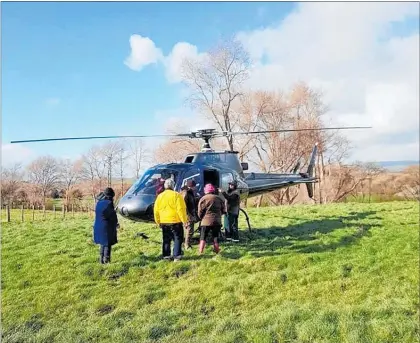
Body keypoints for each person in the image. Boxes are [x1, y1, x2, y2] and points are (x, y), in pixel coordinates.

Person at [154, 178, 188, 261]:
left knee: (166, 239)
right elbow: (181, 209)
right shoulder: (177, 195)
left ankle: (166, 256)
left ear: (165, 186)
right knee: (177, 238)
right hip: (175, 221)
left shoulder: (159, 196)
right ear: (173, 186)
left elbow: (156, 210)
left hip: (164, 221)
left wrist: (158, 221)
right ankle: (177, 256)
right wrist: (184, 221)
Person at [197, 183, 226, 255]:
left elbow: (200, 211)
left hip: (205, 221)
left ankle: (200, 251)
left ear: (205, 191)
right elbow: (223, 210)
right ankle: (216, 250)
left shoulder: (203, 199)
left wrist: (200, 218)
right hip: (217, 221)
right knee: (215, 236)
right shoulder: (219, 198)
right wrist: (219, 215)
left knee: (203, 237)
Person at [93, 187, 119, 264]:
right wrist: (116, 223)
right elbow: (112, 216)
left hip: (98, 226)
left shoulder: (99, 203)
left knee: (103, 243)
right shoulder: (108, 203)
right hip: (106, 227)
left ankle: (101, 260)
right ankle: (106, 261)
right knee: (108, 244)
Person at [180, 180, 199, 250]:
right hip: (188, 215)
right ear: (192, 186)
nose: (195, 188)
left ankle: (183, 243)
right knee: (190, 230)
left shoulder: (186, 192)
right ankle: (187, 245)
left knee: (187, 230)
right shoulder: (186, 193)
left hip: (187, 214)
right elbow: (183, 205)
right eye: (195, 186)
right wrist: (186, 216)